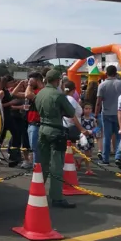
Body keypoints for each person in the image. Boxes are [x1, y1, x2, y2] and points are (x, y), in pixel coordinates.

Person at [35, 69, 90, 208]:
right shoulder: (58, 95)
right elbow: (70, 113)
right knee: (57, 165)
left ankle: (38, 190)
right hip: (55, 129)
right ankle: (56, 197)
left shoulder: (40, 93)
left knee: (43, 163)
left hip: (42, 128)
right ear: (57, 80)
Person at [95, 65, 121, 169]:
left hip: (106, 113)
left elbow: (98, 102)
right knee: (119, 136)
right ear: (116, 72)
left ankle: (105, 159)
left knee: (107, 137)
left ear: (106, 73)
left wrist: (96, 114)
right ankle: (118, 157)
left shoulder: (102, 85)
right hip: (120, 113)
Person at [77, 103, 97, 174]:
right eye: (86, 108)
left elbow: (96, 128)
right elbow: (78, 127)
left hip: (90, 138)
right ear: (83, 109)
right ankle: (88, 169)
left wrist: (92, 131)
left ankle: (79, 160)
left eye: (90, 109)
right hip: (83, 139)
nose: (88, 110)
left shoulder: (93, 119)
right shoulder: (81, 119)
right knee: (87, 154)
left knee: (89, 155)